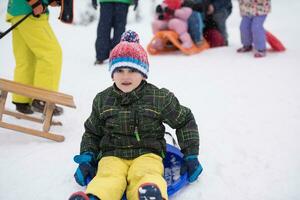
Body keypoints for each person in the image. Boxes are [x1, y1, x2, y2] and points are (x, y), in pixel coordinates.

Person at [69, 30, 202, 200]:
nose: (125, 76)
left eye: (132, 70)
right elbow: (92, 132)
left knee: (146, 173)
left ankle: (148, 195)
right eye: (120, 70)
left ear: (143, 73)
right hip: (112, 155)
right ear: (112, 74)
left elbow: (184, 120)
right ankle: (95, 197)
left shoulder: (158, 98)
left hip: (147, 153)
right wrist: (87, 157)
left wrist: (191, 154)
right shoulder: (103, 100)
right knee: (108, 178)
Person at [6, 0, 63, 115]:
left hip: (18, 10)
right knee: (51, 54)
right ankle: (43, 99)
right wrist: (35, 2)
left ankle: (22, 100)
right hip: (30, 11)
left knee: (27, 59)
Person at [91, 0, 138, 65]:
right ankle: (116, 55)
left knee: (104, 28)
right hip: (121, 2)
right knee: (118, 29)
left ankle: (102, 55)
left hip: (110, 2)